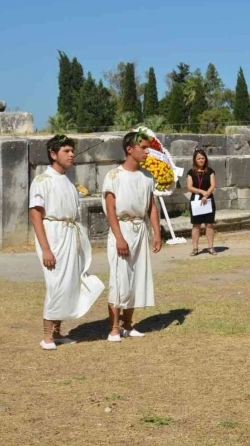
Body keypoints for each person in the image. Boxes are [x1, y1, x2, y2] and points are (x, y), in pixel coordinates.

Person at [29, 135, 104, 350]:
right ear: (53, 154)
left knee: (69, 281)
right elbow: (35, 215)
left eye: (72, 151)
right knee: (56, 283)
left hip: (70, 233)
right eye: (66, 151)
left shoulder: (69, 181)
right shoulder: (42, 181)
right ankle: (47, 336)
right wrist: (45, 249)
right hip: (53, 235)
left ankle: (57, 332)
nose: (71, 155)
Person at [102, 130, 162, 342]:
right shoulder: (114, 176)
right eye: (143, 147)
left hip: (140, 230)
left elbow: (151, 207)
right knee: (120, 279)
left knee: (137, 277)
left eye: (148, 147)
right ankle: (114, 328)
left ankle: (128, 324)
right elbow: (110, 209)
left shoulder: (147, 177)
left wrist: (157, 231)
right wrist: (119, 237)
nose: (147, 151)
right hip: (123, 228)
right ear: (130, 149)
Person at [186, 148, 217, 256]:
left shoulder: (210, 171)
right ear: (195, 160)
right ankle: (195, 248)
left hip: (208, 199)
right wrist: (201, 192)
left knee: (209, 224)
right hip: (196, 200)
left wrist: (206, 194)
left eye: (203, 158)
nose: (201, 160)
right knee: (196, 225)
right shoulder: (191, 172)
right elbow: (189, 187)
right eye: (199, 158)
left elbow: (213, 185)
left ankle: (211, 247)